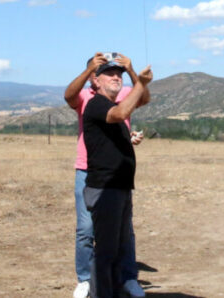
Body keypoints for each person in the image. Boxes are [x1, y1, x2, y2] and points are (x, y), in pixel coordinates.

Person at [66, 53, 151, 298]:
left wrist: (134, 73)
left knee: (122, 236)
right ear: (95, 79)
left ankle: (125, 280)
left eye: (119, 74)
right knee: (89, 232)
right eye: (109, 73)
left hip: (118, 179)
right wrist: (89, 70)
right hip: (97, 176)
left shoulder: (119, 95)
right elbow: (72, 97)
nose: (116, 77)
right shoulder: (91, 100)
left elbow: (139, 101)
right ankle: (87, 282)